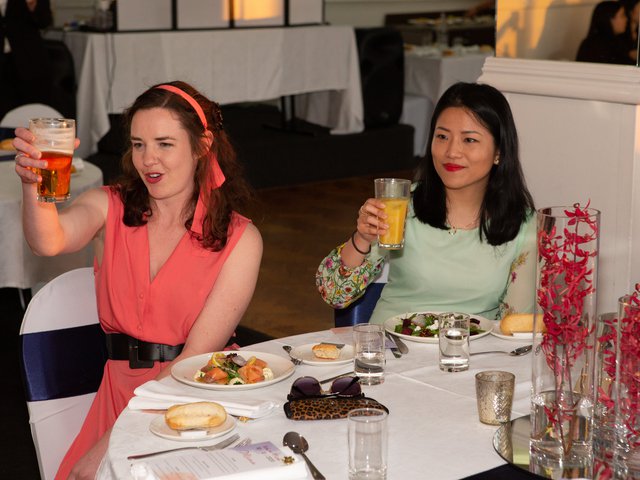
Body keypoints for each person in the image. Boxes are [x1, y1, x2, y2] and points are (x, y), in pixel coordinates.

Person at [13, 81, 263, 479]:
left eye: (164, 144)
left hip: (192, 400)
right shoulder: (109, 206)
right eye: (138, 144)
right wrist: (34, 187)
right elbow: (48, 241)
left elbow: (188, 365)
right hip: (118, 394)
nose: (149, 159)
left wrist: (113, 443)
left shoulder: (241, 240)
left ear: (202, 146)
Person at [316, 82, 536, 325]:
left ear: (499, 152)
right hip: (392, 352)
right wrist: (362, 238)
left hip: (471, 356)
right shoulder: (401, 206)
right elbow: (334, 294)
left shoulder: (522, 225)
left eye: (469, 140)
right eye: (442, 136)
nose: (452, 151)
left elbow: (515, 327)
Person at [0, 0, 54, 119]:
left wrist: (32, 5)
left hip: (29, 62)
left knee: (34, 114)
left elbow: (45, 20)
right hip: (2, 64)